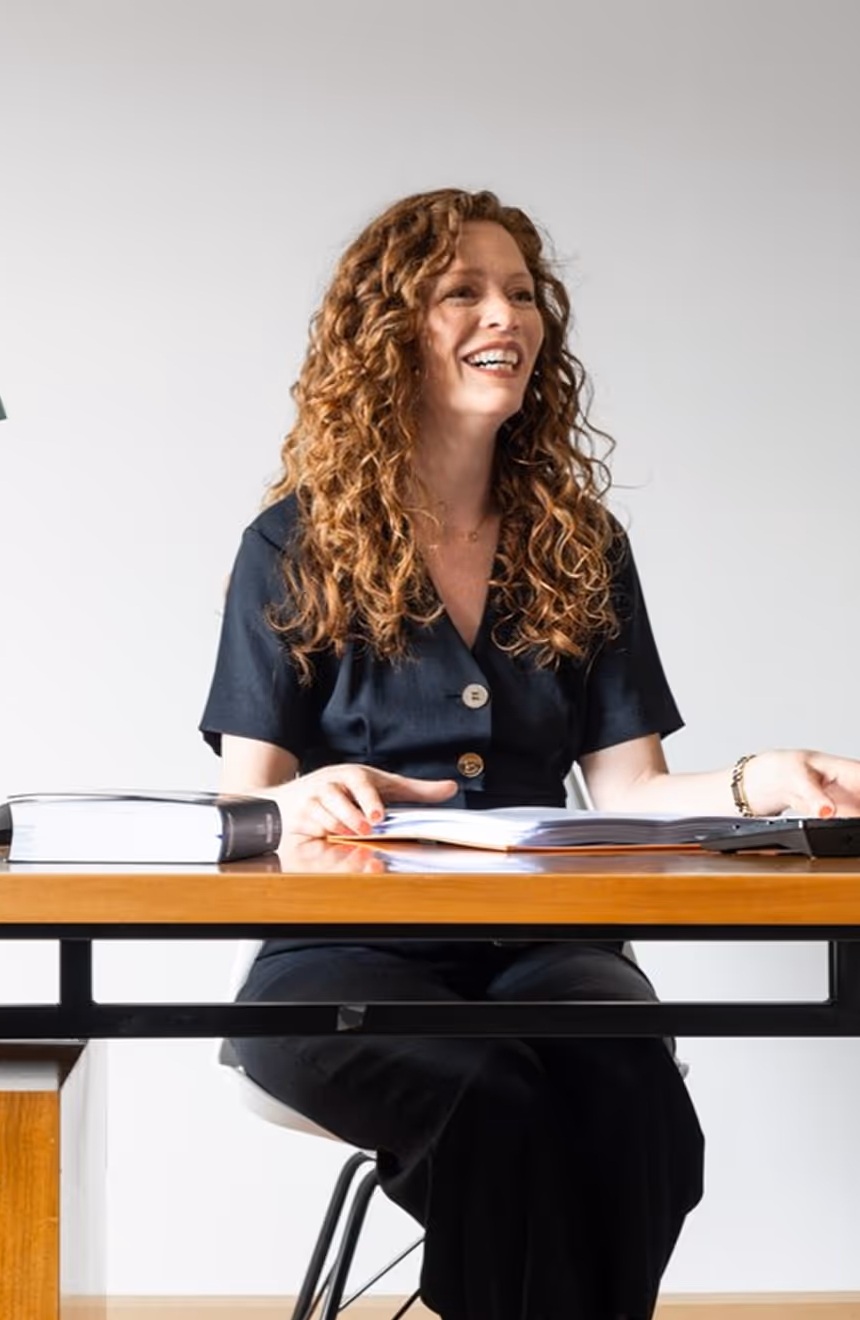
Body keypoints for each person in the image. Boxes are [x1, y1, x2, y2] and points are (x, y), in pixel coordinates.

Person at [200, 188, 860, 1320]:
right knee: (490, 1095)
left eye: (519, 291)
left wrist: (763, 779)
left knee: (635, 1103)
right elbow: (241, 811)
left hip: (548, 947)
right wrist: (306, 798)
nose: (503, 312)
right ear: (389, 331)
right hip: (332, 963)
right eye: (462, 290)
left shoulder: (581, 544)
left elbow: (635, 791)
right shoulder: (293, 545)